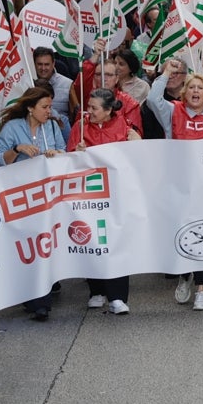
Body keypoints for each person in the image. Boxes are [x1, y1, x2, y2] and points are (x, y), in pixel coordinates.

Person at [148, 66, 203, 309]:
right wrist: (165, 74)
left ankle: (201, 290)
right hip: (179, 186)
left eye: (200, 88)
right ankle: (185, 276)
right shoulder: (173, 112)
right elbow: (153, 99)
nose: (196, 91)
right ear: (185, 93)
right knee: (183, 233)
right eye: (191, 88)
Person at [0, 86, 67, 320]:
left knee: (44, 240)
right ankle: (30, 295)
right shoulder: (12, 128)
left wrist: (56, 154)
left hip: (46, 194)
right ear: (30, 108)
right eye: (44, 107)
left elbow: (64, 153)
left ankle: (41, 300)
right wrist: (18, 149)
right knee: (27, 244)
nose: (49, 111)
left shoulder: (52, 126)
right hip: (21, 194)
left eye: (50, 106)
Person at [67, 89, 140, 315]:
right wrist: (76, 153)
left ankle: (117, 296)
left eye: (94, 108)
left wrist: (136, 142)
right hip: (89, 197)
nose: (89, 111)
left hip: (117, 197)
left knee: (116, 243)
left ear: (108, 111)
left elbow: (137, 159)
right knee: (92, 241)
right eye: (88, 106)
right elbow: (67, 160)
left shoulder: (125, 128)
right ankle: (96, 291)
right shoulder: (79, 127)